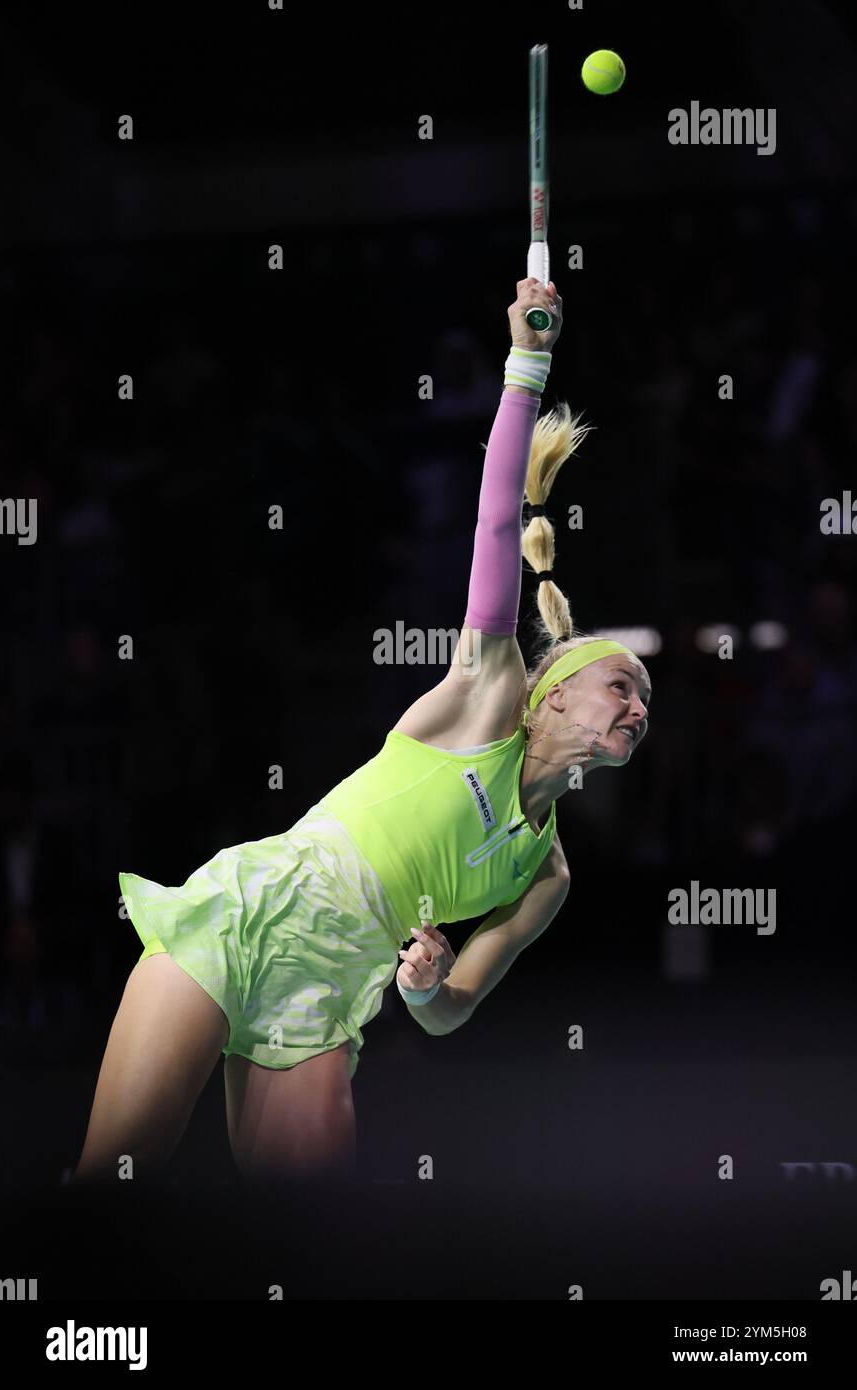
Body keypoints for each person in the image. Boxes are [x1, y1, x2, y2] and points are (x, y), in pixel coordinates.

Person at [71, 278, 650, 1187]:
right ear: (556, 695)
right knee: (114, 1176)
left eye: (645, 701)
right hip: (254, 913)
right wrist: (526, 364)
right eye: (622, 683)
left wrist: (425, 985)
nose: (638, 707)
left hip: (334, 988)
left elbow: (449, 1010)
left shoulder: (546, 873)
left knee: (310, 1241)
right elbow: (497, 524)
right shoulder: (484, 697)